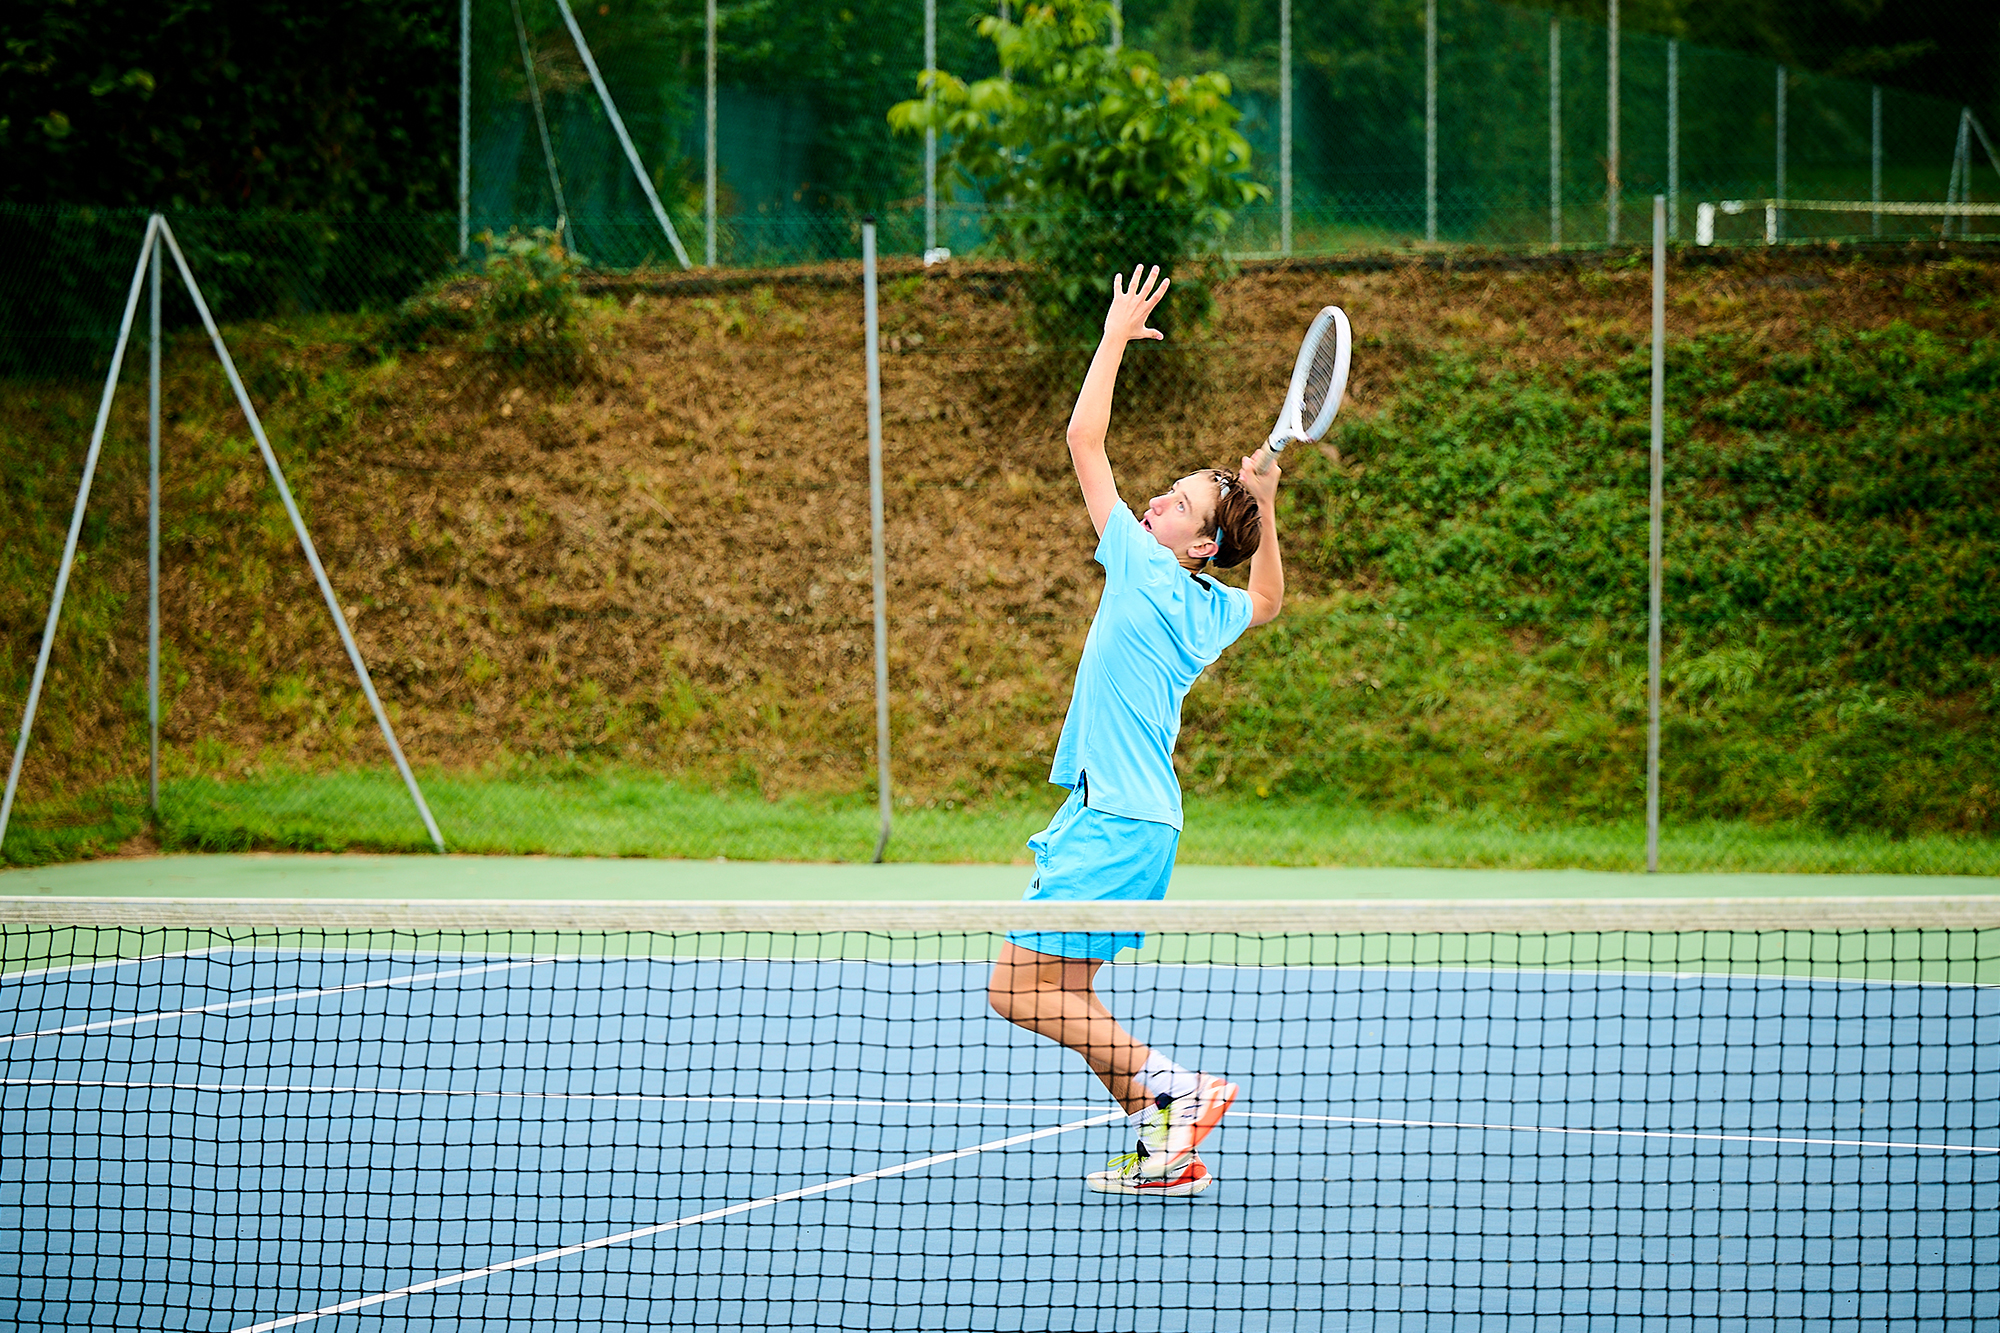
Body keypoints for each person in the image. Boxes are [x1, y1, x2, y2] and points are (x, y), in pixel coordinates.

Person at [987, 264, 1285, 1197]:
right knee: (1064, 992)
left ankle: (1175, 1083)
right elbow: (1269, 597)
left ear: (1194, 546)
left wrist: (1115, 333)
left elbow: (1083, 438)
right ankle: (1165, 1141)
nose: (1155, 501)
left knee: (1012, 988)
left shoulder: (1147, 569)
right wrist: (1263, 506)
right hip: (1132, 820)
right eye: (1165, 491)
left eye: (1180, 506)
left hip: (1118, 816)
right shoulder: (1205, 608)